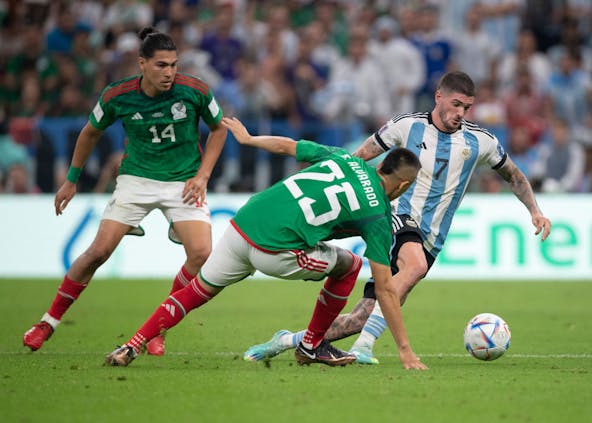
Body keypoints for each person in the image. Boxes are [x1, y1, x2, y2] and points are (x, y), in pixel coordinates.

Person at [244, 71, 552, 365]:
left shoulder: (480, 141)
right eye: (456, 104)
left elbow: (513, 175)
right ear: (438, 96)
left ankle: (288, 340)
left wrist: (535, 211)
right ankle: (364, 346)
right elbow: (358, 157)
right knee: (414, 266)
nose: (461, 112)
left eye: (467, 107)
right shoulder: (406, 126)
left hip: (432, 238)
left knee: (362, 317)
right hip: (399, 218)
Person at [104, 116, 427, 370]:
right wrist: (405, 350)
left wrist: (248, 139)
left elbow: (289, 146)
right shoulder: (378, 213)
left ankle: (131, 344)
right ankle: (311, 346)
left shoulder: (344, 158)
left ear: (380, 164)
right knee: (350, 266)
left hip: (242, 225)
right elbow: (385, 288)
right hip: (273, 249)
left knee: (195, 292)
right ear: (404, 184)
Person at [22, 27, 227, 357]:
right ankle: (47, 322)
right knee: (98, 252)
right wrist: (72, 179)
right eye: (161, 65)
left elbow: (219, 130)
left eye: (174, 64)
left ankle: (157, 327)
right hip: (136, 180)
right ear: (142, 63)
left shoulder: (194, 90)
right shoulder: (117, 95)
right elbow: (90, 133)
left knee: (202, 255)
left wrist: (203, 176)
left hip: (184, 181)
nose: (170, 72)